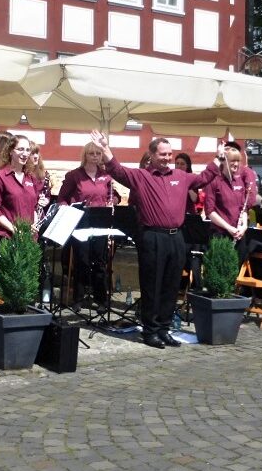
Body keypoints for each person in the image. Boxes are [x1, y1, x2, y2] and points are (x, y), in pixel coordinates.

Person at [89, 129, 220, 349]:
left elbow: (203, 178)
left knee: (171, 286)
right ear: (151, 155)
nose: (168, 158)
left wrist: (219, 159)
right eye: (163, 154)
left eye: (170, 154)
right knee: (152, 285)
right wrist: (104, 148)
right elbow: (118, 170)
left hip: (176, 237)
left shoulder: (181, 176)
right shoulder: (142, 177)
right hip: (152, 237)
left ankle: (164, 328)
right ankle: (150, 331)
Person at [57, 141, 117, 303]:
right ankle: (78, 298)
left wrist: (113, 202)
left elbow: (114, 196)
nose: (95, 157)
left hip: (100, 223)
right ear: (85, 155)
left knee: (100, 262)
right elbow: (62, 199)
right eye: (91, 153)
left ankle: (101, 300)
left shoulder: (106, 176)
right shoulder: (74, 175)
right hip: (80, 223)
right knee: (81, 261)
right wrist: (68, 211)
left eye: (98, 153)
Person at [203, 147, 254, 267]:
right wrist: (229, 228)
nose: (236, 164)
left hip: (238, 233)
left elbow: (243, 207)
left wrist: (244, 227)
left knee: (237, 268)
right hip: (221, 233)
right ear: (224, 161)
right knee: (221, 269)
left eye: (238, 161)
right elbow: (209, 211)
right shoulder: (214, 181)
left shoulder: (239, 181)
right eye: (233, 160)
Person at [0, 135, 42, 240]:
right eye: (20, 149)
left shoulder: (30, 178)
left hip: (29, 238)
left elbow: (34, 207)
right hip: (8, 237)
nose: (25, 153)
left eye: (27, 150)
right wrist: (14, 229)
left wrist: (35, 224)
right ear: (11, 151)